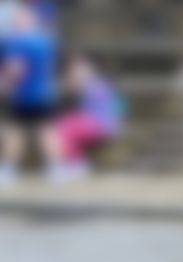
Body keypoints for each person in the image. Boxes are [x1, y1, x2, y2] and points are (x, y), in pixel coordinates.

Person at [0, 3, 55, 185]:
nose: (14, 22)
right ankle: (57, 167)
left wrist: (5, 84)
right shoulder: (44, 41)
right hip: (45, 93)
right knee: (45, 131)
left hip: (25, 95)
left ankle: (8, 169)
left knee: (15, 132)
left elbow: (16, 69)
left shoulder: (19, 42)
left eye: (17, 19)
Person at [46, 52, 123, 182]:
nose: (76, 72)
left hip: (102, 124)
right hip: (98, 122)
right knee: (64, 124)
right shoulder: (97, 83)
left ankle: (75, 163)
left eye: (79, 69)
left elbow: (72, 87)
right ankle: (75, 163)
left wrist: (68, 81)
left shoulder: (95, 84)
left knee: (64, 127)